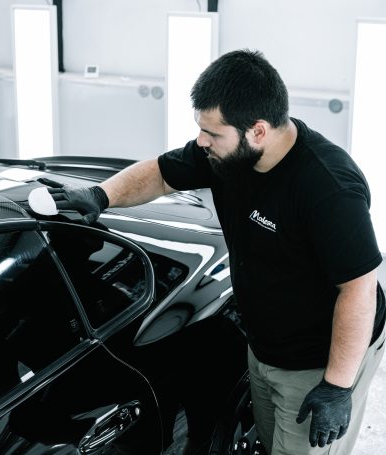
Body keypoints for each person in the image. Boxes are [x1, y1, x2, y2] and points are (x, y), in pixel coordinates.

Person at [40, 49, 386, 455]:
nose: (202, 141)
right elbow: (161, 174)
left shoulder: (327, 187)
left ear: (258, 130)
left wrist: (337, 387)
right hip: (264, 347)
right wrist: (101, 194)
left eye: (213, 133)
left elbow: (359, 289)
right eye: (201, 129)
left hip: (318, 361)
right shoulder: (227, 156)